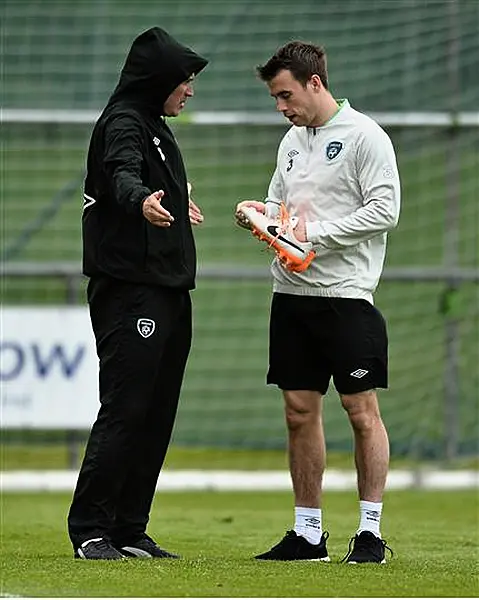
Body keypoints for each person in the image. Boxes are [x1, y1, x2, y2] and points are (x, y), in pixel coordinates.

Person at [235, 41, 400, 564]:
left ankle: (369, 533)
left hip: (346, 296)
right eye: (275, 99)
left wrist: (317, 238)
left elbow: (385, 210)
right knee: (298, 411)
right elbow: (281, 206)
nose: (281, 107)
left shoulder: (365, 136)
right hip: (290, 295)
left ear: (314, 83)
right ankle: (308, 535)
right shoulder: (290, 141)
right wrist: (260, 215)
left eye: (285, 95)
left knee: (360, 410)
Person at [67, 27, 208, 560]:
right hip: (132, 292)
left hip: (168, 289)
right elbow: (120, 173)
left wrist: (175, 196)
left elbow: (142, 175)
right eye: (185, 80)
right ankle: (91, 529)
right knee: (126, 408)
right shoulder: (124, 122)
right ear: (159, 81)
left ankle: (129, 528)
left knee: (156, 412)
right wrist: (141, 200)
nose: (190, 90)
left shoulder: (153, 124)